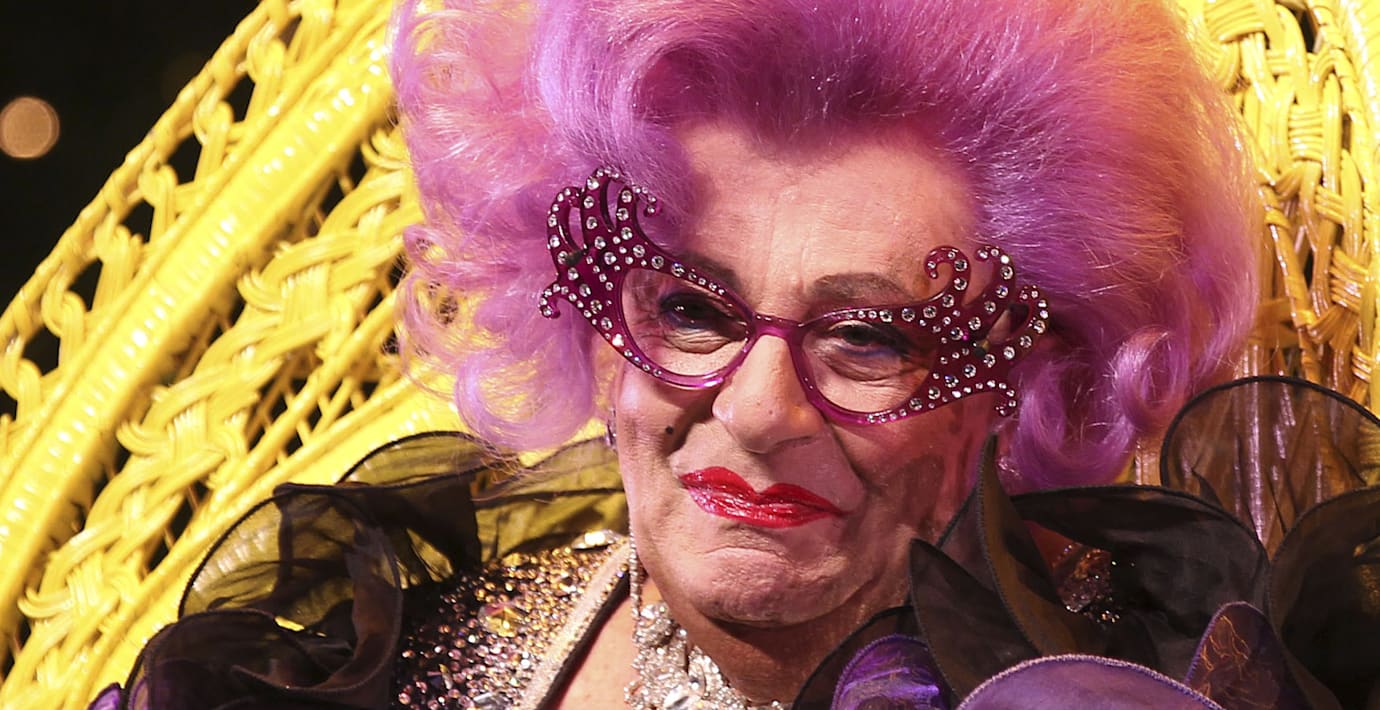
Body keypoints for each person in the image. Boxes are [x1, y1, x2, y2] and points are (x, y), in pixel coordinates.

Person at [92, 0, 1379, 707]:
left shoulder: (1157, 689)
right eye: (692, 310)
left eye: (869, 335)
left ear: (1020, 370)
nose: (761, 411)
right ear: (583, 316)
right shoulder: (386, 668)